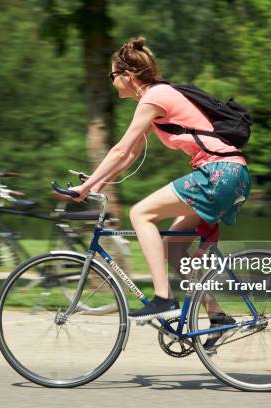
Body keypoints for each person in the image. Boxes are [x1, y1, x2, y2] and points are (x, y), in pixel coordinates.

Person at [62, 37, 251, 343]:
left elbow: (121, 148)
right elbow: (131, 153)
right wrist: (93, 184)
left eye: (112, 76)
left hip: (218, 173)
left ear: (128, 75)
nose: (112, 82)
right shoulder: (154, 99)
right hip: (232, 174)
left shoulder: (156, 96)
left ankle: (163, 298)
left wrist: (85, 186)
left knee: (140, 213)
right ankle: (218, 316)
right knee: (173, 247)